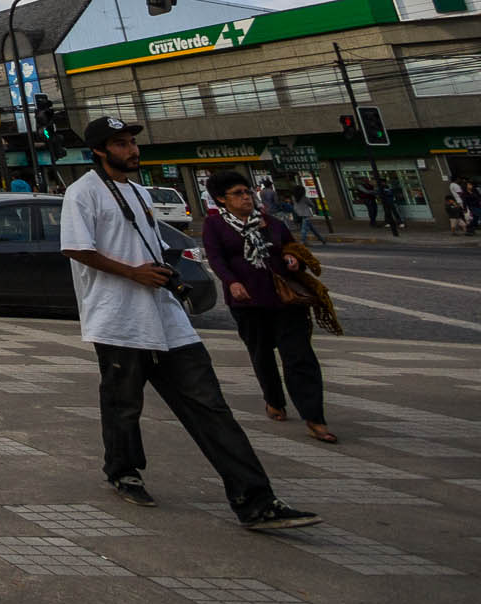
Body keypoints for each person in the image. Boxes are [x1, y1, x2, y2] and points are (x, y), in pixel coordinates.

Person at [59, 115, 317, 531]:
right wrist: (132, 273)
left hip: (166, 317)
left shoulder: (139, 192)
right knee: (123, 404)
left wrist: (164, 270)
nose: (132, 150)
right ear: (100, 151)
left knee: (210, 405)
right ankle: (123, 470)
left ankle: (255, 500)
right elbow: (75, 248)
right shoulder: (82, 192)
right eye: (121, 144)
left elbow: (151, 244)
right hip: (118, 319)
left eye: (132, 142)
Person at [200, 172, 340, 445]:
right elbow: (216, 258)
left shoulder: (271, 222)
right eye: (238, 193)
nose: (246, 198)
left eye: (247, 192)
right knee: (261, 354)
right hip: (248, 302)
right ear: (221, 199)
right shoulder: (215, 225)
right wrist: (232, 282)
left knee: (299, 356)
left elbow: (291, 245)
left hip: (286, 300)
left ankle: (315, 418)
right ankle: (274, 399)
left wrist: (292, 257)